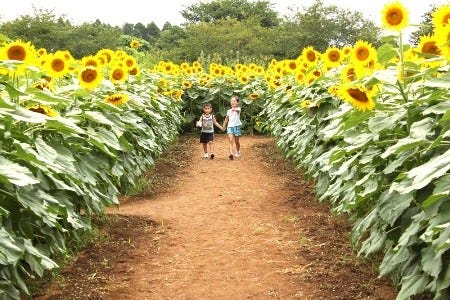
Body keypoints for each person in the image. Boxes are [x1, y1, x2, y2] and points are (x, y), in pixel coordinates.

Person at [222, 95, 242, 160]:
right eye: (231, 101)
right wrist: (223, 126)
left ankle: (238, 151)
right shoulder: (229, 111)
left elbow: (237, 110)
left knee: (237, 141)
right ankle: (231, 153)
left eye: (234, 101)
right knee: (230, 140)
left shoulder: (238, 109)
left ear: (237, 103)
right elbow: (226, 119)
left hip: (236, 127)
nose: (232, 102)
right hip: (230, 127)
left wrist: (234, 109)